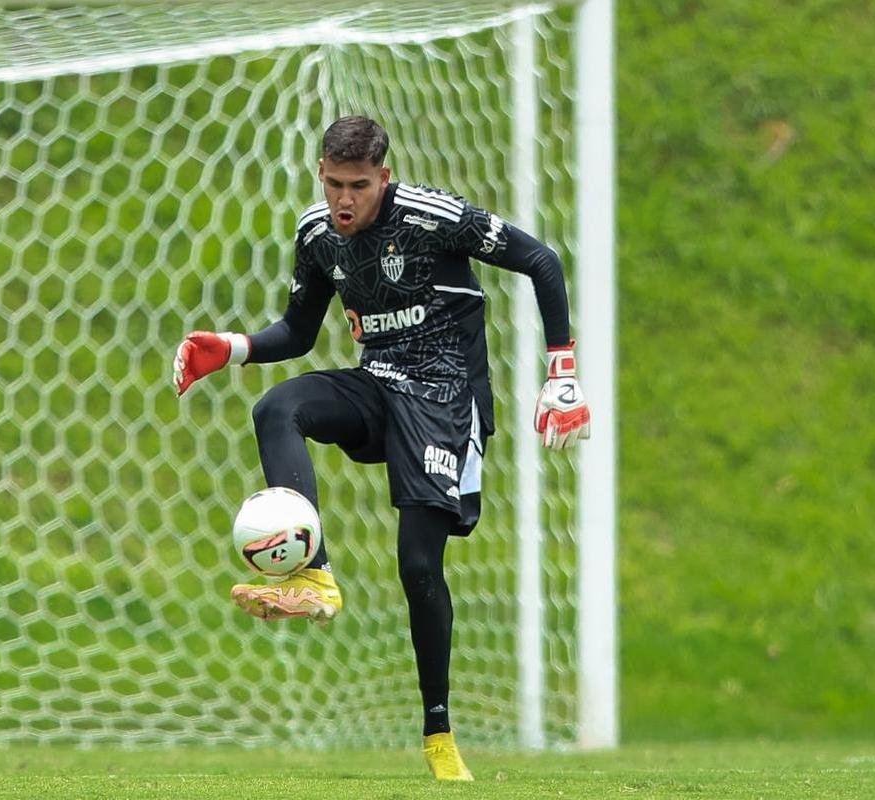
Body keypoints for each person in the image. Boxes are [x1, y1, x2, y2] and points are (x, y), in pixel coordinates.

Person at [172, 116, 590, 780]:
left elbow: (541, 259)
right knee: (277, 407)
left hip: (445, 397)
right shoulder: (318, 234)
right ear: (321, 173)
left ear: (383, 178)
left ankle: (439, 735)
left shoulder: (433, 218)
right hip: (378, 386)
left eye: (359, 186)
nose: (345, 200)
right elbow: (299, 331)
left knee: (418, 565)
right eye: (335, 183)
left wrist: (562, 372)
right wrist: (233, 348)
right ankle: (314, 573)